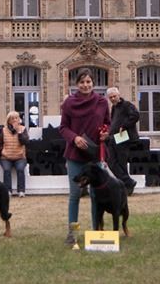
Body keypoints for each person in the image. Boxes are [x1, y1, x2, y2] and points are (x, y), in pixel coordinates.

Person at [60, 67, 110, 244]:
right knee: (75, 195)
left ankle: (96, 231)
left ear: (93, 83)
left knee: (96, 195)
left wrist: (106, 133)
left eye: (88, 82)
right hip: (75, 155)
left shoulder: (102, 102)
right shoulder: (68, 103)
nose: (85, 85)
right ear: (76, 84)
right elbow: (63, 128)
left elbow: (107, 124)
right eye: (82, 82)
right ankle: (72, 233)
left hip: (94, 155)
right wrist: (74, 138)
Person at [105, 87, 140, 194]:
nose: (113, 99)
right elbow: (113, 122)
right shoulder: (114, 108)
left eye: (114, 96)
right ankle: (128, 182)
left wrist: (124, 125)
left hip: (123, 137)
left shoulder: (127, 105)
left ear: (119, 95)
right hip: (114, 138)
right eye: (110, 97)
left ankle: (126, 187)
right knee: (111, 162)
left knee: (121, 162)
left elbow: (135, 115)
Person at [0, 111, 29, 197]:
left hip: (20, 157)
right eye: (13, 118)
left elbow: (25, 142)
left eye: (16, 118)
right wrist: (2, 151)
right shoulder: (4, 130)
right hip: (6, 157)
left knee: (20, 169)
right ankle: (8, 191)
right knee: (7, 170)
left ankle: (21, 191)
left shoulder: (23, 129)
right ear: (9, 121)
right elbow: (0, 143)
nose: (15, 120)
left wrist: (19, 132)